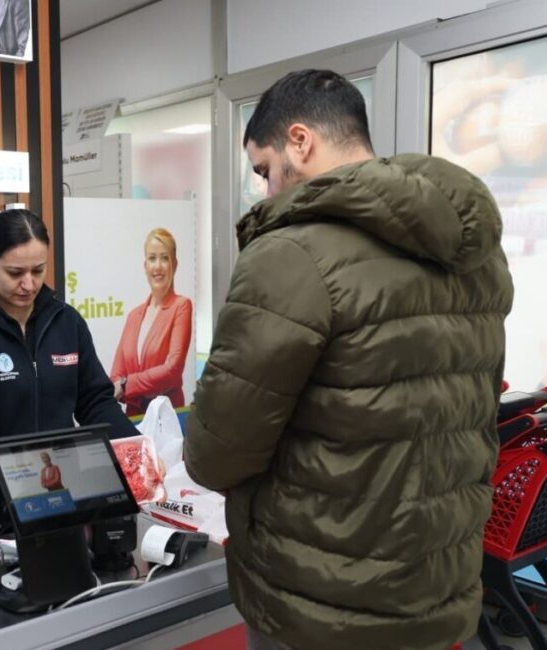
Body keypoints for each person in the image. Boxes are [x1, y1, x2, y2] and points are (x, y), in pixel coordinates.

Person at [183, 69, 513, 650]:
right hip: (437, 586)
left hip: (321, 602)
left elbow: (216, 453)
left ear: (300, 142)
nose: (265, 191)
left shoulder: (291, 255)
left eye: (264, 169)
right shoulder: (476, 255)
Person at [0, 208, 138, 452]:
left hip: (64, 476)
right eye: (15, 273)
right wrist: (15, 468)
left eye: (38, 270)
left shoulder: (67, 322)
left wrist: (138, 449)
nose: (29, 285)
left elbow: (96, 402)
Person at [110, 228, 192, 416]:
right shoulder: (134, 316)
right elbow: (116, 375)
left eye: (165, 258)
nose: (158, 266)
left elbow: (172, 370)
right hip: (135, 420)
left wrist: (127, 384)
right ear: (145, 265)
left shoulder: (181, 306)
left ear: (175, 264)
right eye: (152, 258)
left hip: (167, 419)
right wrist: (123, 385)